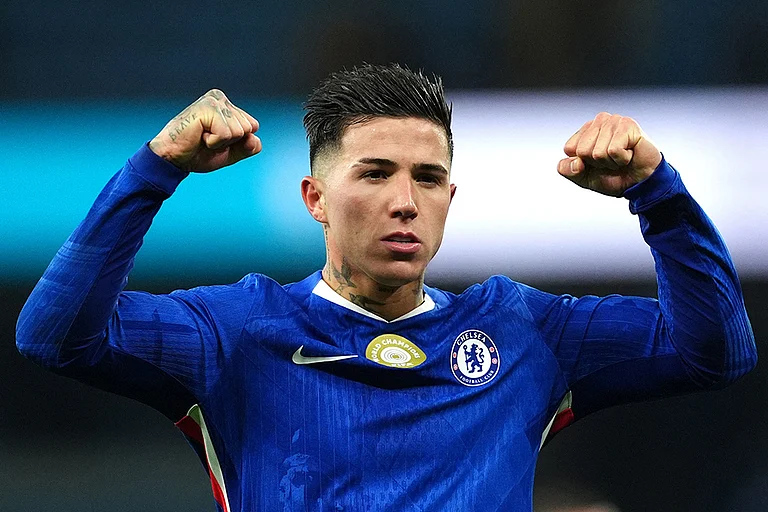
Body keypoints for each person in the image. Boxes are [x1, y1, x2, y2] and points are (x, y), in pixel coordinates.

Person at [16, 64, 757, 512]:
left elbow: (717, 351)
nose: (405, 201)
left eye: (428, 179)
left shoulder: (523, 330)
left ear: (449, 199)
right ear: (315, 198)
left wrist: (658, 193)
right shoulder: (234, 331)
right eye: (374, 174)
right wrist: (153, 170)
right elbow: (53, 336)